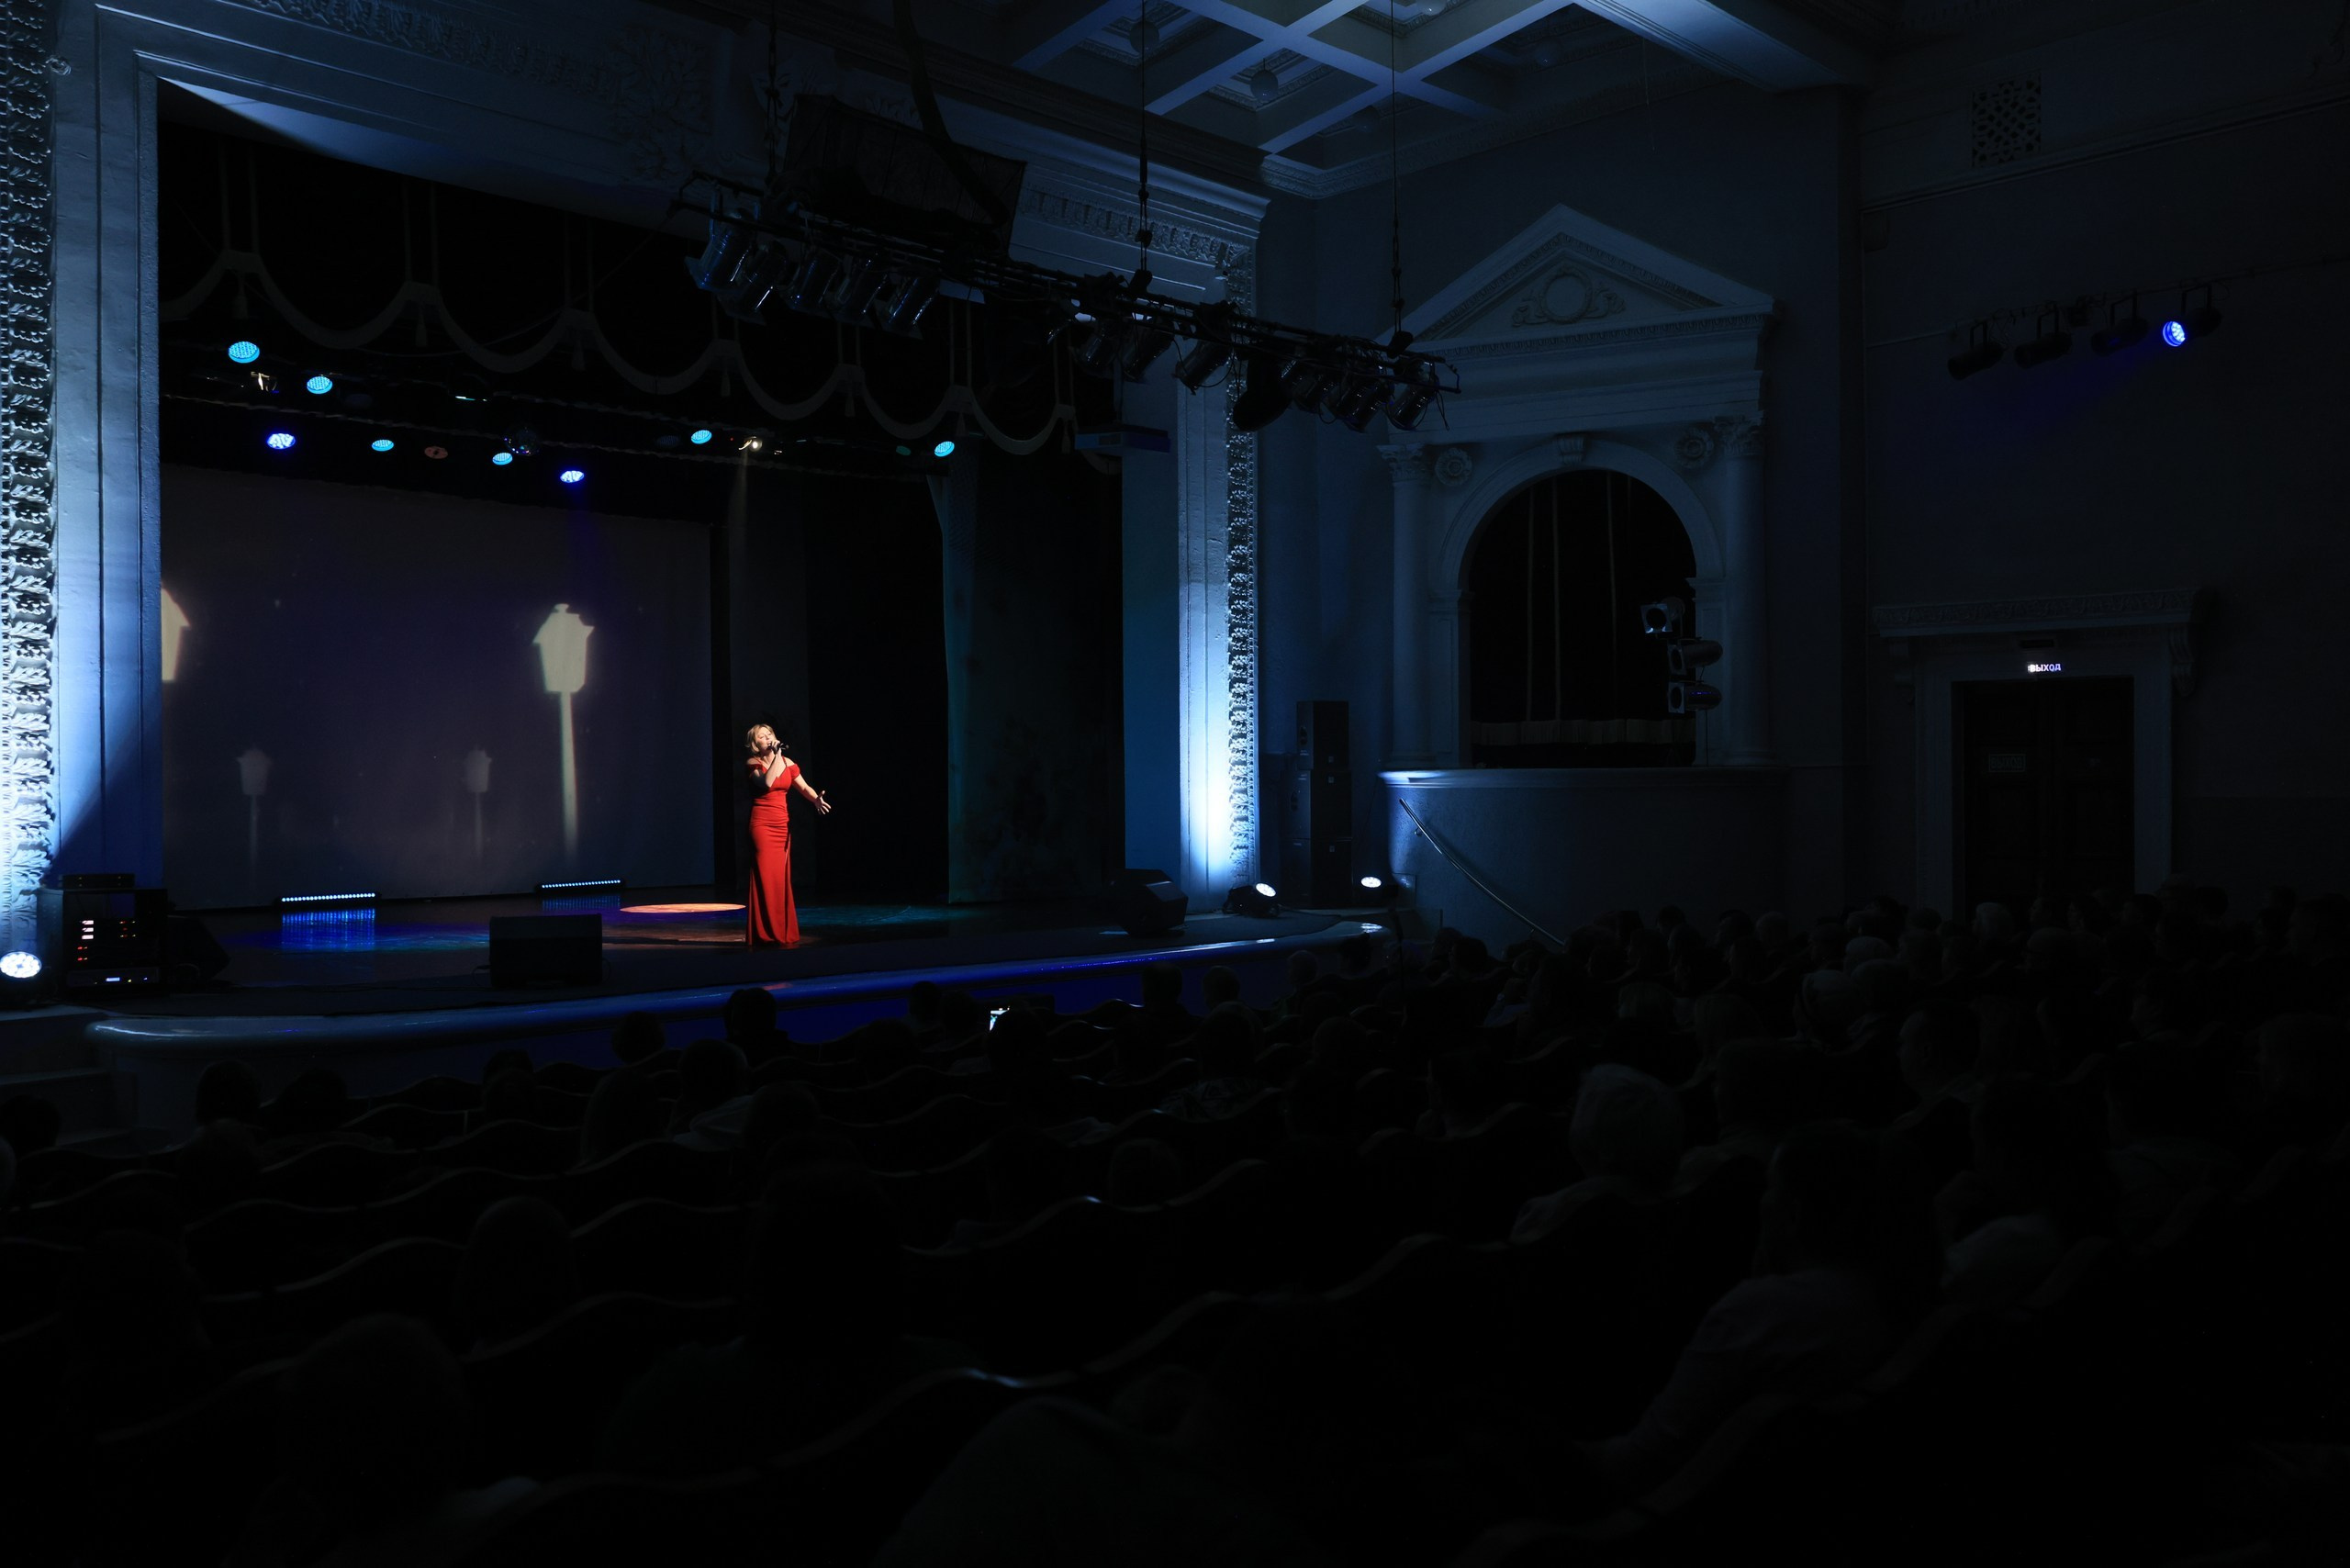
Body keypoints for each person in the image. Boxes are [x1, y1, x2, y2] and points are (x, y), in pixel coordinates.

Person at [743, 722, 831, 948]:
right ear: (755, 744)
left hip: (782, 826)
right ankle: (766, 932)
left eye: (769, 734)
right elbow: (767, 782)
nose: (767, 738)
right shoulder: (753, 763)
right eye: (762, 736)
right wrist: (777, 756)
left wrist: (816, 800)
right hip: (762, 826)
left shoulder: (788, 763)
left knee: (780, 879)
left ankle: (781, 930)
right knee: (766, 877)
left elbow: (804, 788)